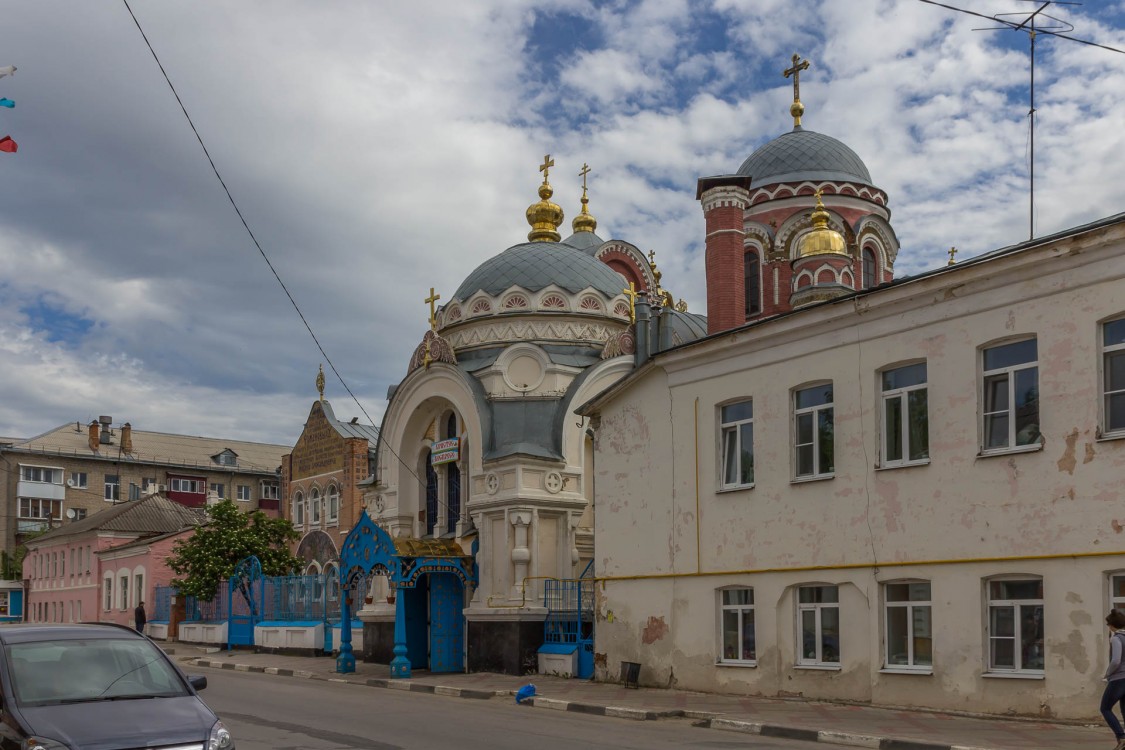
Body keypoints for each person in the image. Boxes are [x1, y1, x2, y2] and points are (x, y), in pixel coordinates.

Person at [1101, 609, 1125, 750]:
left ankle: (1121, 737)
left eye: (1108, 624)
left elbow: (1116, 661)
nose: (1108, 626)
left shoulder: (1116, 638)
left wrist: (1107, 674)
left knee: (1105, 708)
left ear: (1112, 625)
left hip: (1118, 679)